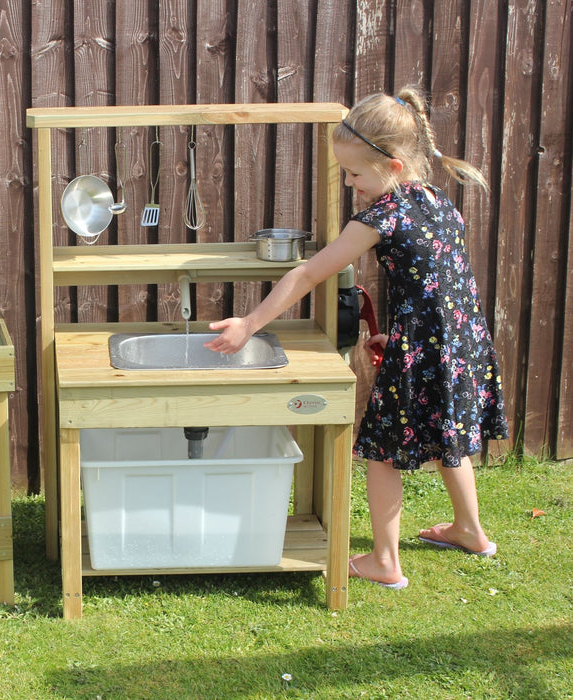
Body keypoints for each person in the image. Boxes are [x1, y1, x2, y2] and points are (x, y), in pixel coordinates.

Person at [204, 86, 508, 589]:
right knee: (448, 437)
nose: (349, 184)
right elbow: (441, 281)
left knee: (382, 451)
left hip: (428, 347)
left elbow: (306, 275)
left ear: (391, 166)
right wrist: (405, 332)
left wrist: (249, 324)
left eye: (354, 173)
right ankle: (470, 531)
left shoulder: (380, 217)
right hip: (461, 342)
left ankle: (386, 561)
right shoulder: (433, 199)